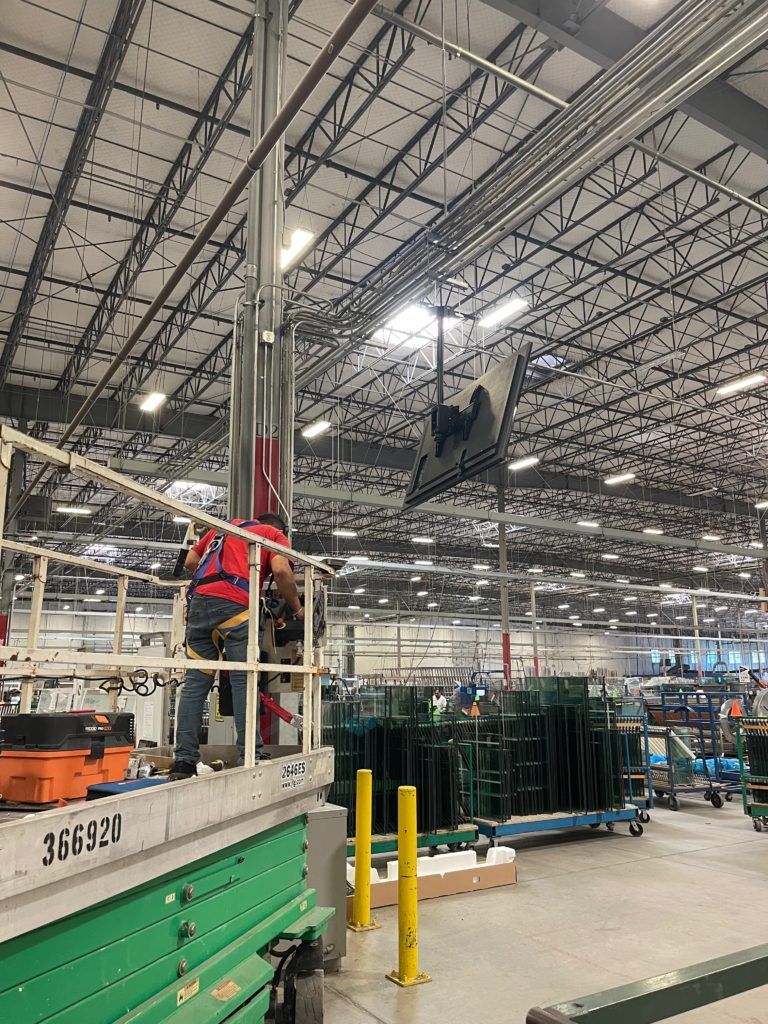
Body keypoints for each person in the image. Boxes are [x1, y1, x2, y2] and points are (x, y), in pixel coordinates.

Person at [170, 512, 303, 779]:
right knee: (243, 680)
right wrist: (297, 609)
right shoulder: (272, 535)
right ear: (280, 530)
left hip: (198, 604)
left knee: (195, 684)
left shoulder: (222, 528)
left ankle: (184, 761)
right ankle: (250, 754)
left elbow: (191, 561)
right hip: (235, 607)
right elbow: (280, 571)